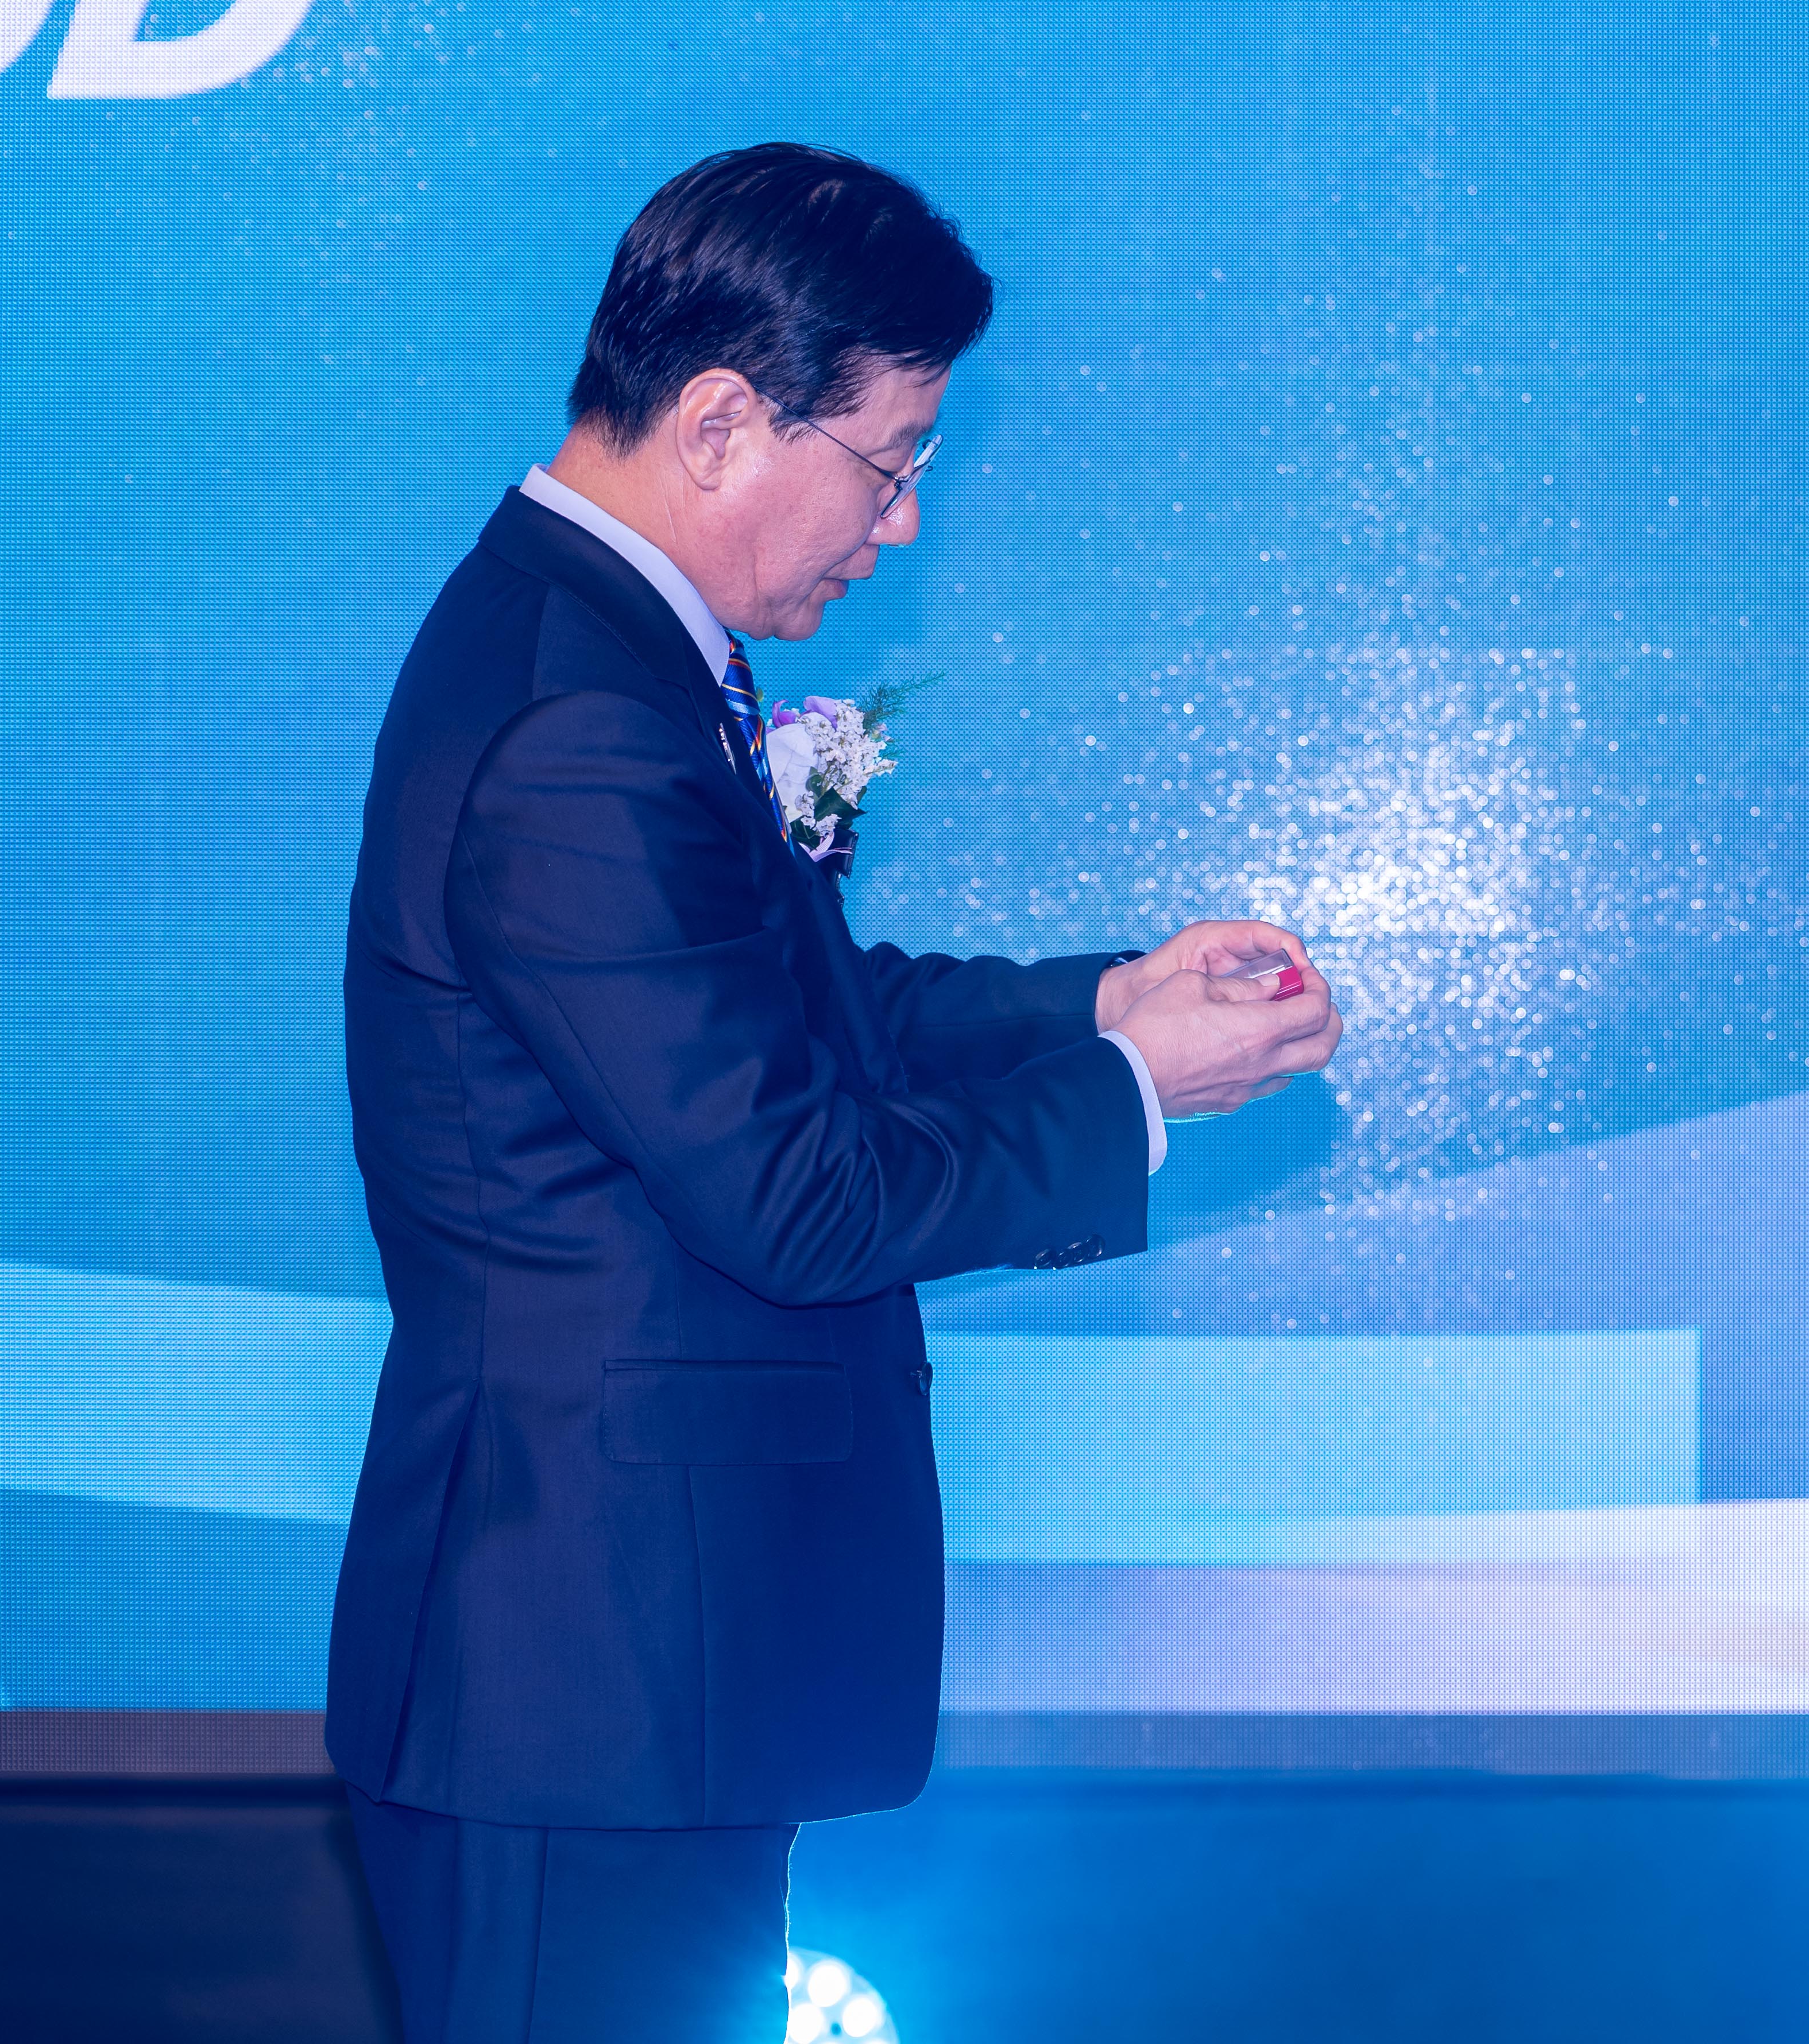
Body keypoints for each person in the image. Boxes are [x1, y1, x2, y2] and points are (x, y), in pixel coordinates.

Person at [327, 143, 1344, 2042]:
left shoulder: (609, 655)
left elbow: (779, 1017)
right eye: (890, 463)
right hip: (580, 1674)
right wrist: (1133, 1090)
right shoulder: (580, 719)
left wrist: (1101, 1001)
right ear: (723, 422)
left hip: (632, 1669)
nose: (900, 523)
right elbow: (796, 1195)